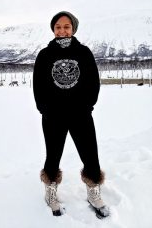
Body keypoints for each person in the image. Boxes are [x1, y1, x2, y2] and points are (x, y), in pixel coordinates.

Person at [33, 11, 109, 218]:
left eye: (66, 27)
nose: (62, 30)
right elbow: (38, 85)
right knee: (53, 156)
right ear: (53, 30)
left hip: (80, 114)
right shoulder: (44, 55)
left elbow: (93, 82)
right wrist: (44, 108)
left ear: (73, 29)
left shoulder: (83, 53)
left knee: (90, 155)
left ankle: (94, 192)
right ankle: (50, 193)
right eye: (58, 27)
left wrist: (88, 105)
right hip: (53, 116)